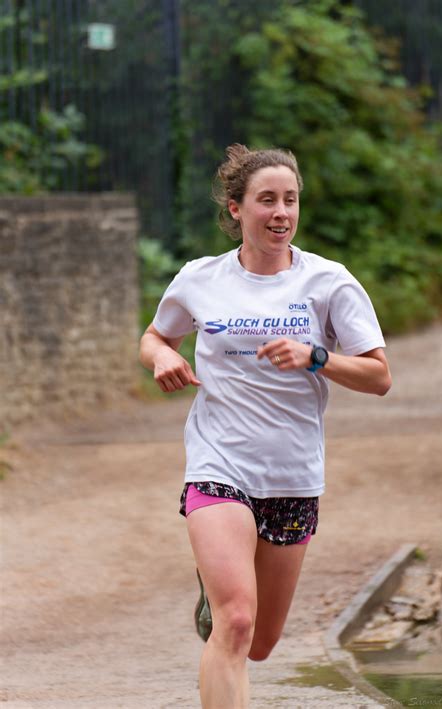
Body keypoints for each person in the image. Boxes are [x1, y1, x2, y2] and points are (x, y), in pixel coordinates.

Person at [139, 144, 391, 708]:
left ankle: (217, 599)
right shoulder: (199, 279)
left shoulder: (330, 283)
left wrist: (316, 357)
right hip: (218, 463)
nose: (281, 212)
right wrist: (160, 356)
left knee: (260, 643)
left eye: (291, 200)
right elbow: (156, 335)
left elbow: (379, 376)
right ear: (236, 208)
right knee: (237, 621)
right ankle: (223, 600)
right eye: (267, 200)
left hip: (293, 474)